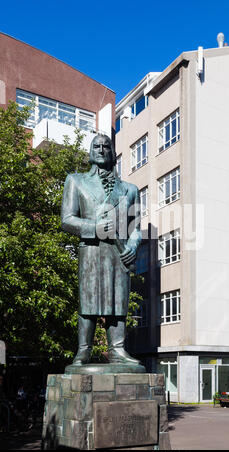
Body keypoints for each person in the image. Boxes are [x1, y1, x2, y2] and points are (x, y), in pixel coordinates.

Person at [61, 133, 142, 366]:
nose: (101, 149)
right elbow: (67, 219)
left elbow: (135, 227)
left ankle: (117, 350)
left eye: (106, 146)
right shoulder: (75, 181)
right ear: (90, 151)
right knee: (88, 302)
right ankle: (83, 351)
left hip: (119, 254)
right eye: (96, 146)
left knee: (118, 302)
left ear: (112, 153)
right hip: (92, 250)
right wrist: (94, 228)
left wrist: (133, 246)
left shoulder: (130, 189)